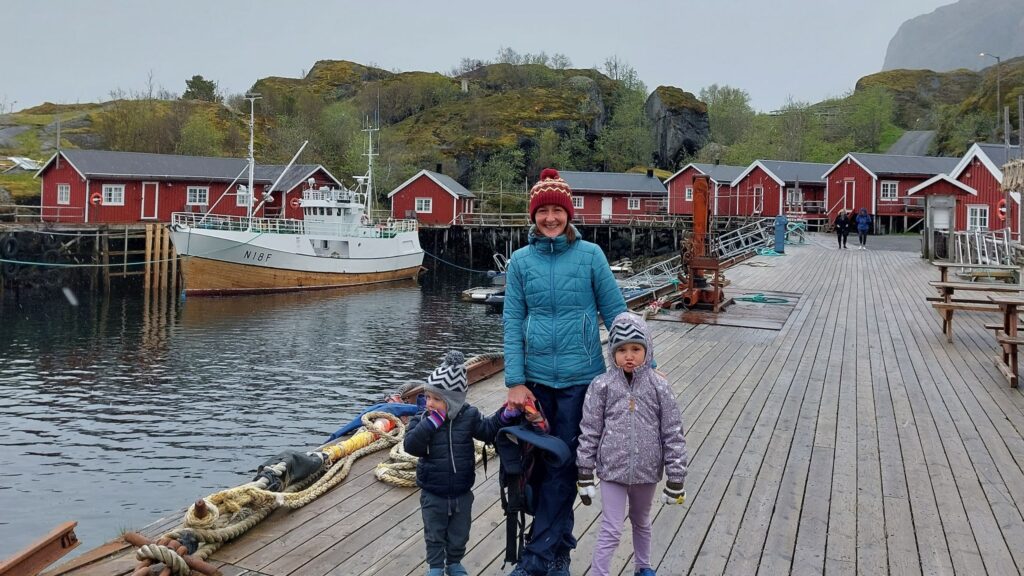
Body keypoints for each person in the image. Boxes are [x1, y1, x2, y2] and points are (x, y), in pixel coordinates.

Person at [502, 168, 628, 576]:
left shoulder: (591, 256)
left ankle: (538, 559)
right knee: (536, 469)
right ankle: (558, 552)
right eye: (543, 212)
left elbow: (616, 314)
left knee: (561, 466)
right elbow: (512, 320)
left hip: (581, 381)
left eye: (558, 210)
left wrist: (645, 369)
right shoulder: (520, 262)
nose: (551, 218)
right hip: (536, 382)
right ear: (533, 216)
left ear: (569, 215)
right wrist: (515, 381)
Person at [575, 312, 688, 576]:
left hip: (647, 471)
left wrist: (676, 475)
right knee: (611, 528)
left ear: (647, 349)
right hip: (612, 471)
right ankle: (599, 573)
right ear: (612, 352)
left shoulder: (659, 386)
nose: (629, 355)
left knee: (642, 521)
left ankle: (643, 567)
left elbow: (672, 431)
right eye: (622, 349)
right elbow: (589, 430)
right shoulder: (601, 386)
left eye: (636, 348)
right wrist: (584, 472)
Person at [404, 350, 520, 576]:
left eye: (437, 399)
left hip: (462, 491)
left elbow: (487, 431)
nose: (430, 403)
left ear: (454, 402)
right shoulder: (421, 420)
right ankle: (436, 567)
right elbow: (411, 446)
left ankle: (454, 562)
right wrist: (429, 425)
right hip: (433, 492)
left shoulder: (468, 416)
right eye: (428, 397)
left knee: (460, 532)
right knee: (434, 533)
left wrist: (504, 415)